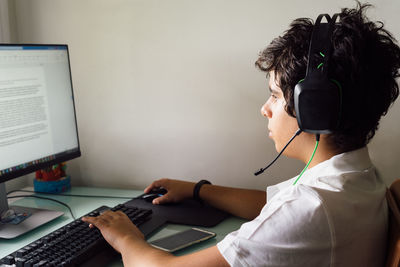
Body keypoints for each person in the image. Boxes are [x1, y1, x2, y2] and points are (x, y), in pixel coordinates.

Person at [83, 3, 400, 266]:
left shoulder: (313, 206)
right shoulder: (356, 178)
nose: (265, 108)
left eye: (274, 96)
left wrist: (126, 236)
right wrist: (198, 191)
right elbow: (270, 205)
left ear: (315, 108)